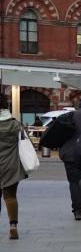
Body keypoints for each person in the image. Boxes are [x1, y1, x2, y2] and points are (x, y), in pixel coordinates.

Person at [0, 94, 28, 240]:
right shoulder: (15, 124)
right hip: (11, 165)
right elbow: (25, 140)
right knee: (10, 196)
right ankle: (13, 226)